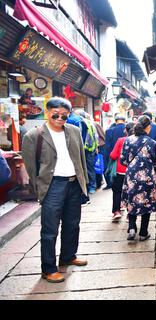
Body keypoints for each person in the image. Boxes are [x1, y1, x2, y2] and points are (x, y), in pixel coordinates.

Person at [22, 97, 88, 283]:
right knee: (50, 230)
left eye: (64, 116)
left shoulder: (74, 131)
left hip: (74, 184)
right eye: (56, 115)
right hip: (52, 186)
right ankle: (48, 268)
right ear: (47, 112)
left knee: (72, 224)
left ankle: (68, 256)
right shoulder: (33, 136)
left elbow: (81, 159)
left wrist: (84, 183)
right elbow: (31, 168)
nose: (60, 119)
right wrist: (41, 190)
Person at [120, 115, 156, 241]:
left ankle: (132, 228)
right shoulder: (152, 143)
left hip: (131, 175)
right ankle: (143, 233)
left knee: (132, 200)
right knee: (146, 202)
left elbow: (122, 159)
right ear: (148, 127)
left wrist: (133, 165)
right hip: (147, 176)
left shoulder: (128, 140)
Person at [109, 122, 134, 220]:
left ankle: (116, 211)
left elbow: (113, 155)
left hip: (120, 171)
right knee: (131, 191)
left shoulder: (121, 140)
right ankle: (130, 214)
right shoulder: (139, 141)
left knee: (117, 190)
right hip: (133, 172)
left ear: (126, 130)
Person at [75, 110, 98, 195]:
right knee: (89, 168)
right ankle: (91, 186)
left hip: (87, 149)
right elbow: (96, 136)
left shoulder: (84, 123)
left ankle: (91, 186)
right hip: (89, 149)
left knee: (88, 168)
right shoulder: (89, 123)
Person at [103, 114, 127, 190]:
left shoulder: (109, 131)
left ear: (115, 121)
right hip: (126, 156)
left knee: (114, 173)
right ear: (124, 121)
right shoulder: (128, 130)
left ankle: (110, 184)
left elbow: (107, 146)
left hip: (113, 155)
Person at [93, 120, 106, 189]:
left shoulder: (95, 124)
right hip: (98, 146)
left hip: (99, 146)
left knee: (97, 164)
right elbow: (102, 134)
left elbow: (102, 134)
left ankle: (99, 182)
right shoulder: (95, 124)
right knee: (97, 165)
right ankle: (99, 182)